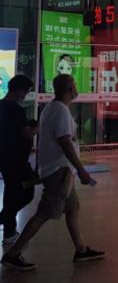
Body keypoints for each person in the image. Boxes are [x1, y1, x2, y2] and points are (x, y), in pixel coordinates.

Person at [1, 74, 102, 271]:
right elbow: (65, 142)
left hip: (62, 171)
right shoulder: (60, 111)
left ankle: (81, 249)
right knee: (44, 213)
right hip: (59, 172)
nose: (76, 90)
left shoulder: (52, 108)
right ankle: (13, 253)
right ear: (69, 90)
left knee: (73, 208)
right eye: (74, 86)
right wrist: (81, 170)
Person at [0, 75, 37, 244]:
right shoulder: (16, 110)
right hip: (16, 160)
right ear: (19, 89)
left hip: (4, 158)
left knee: (11, 192)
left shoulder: (1, 105)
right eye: (26, 91)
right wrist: (35, 128)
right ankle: (4, 218)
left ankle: (9, 232)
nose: (25, 95)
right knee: (27, 192)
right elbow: (25, 133)